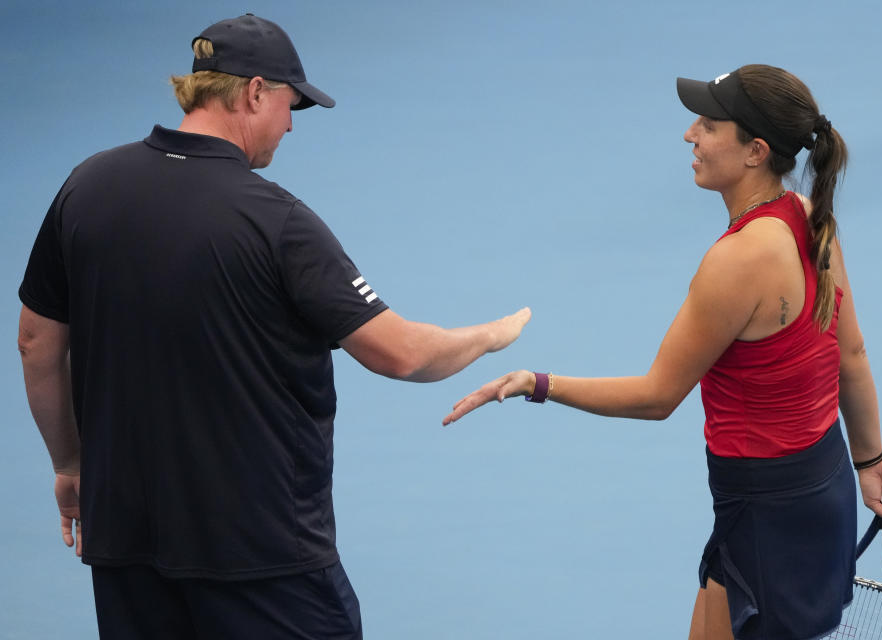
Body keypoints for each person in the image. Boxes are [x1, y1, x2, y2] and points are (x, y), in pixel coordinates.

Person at [17, 13, 529, 640]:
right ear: (256, 91)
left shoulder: (86, 187)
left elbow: (36, 341)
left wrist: (70, 464)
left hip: (124, 545)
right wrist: (490, 335)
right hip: (262, 558)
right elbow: (401, 353)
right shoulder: (277, 221)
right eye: (292, 105)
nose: (290, 124)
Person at [442, 64, 882, 639]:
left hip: (767, 512)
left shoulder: (738, 261)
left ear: (755, 152)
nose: (690, 134)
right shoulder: (812, 220)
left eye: (710, 124)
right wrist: (869, 463)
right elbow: (853, 354)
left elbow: (657, 396)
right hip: (820, 483)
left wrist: (535, 384)